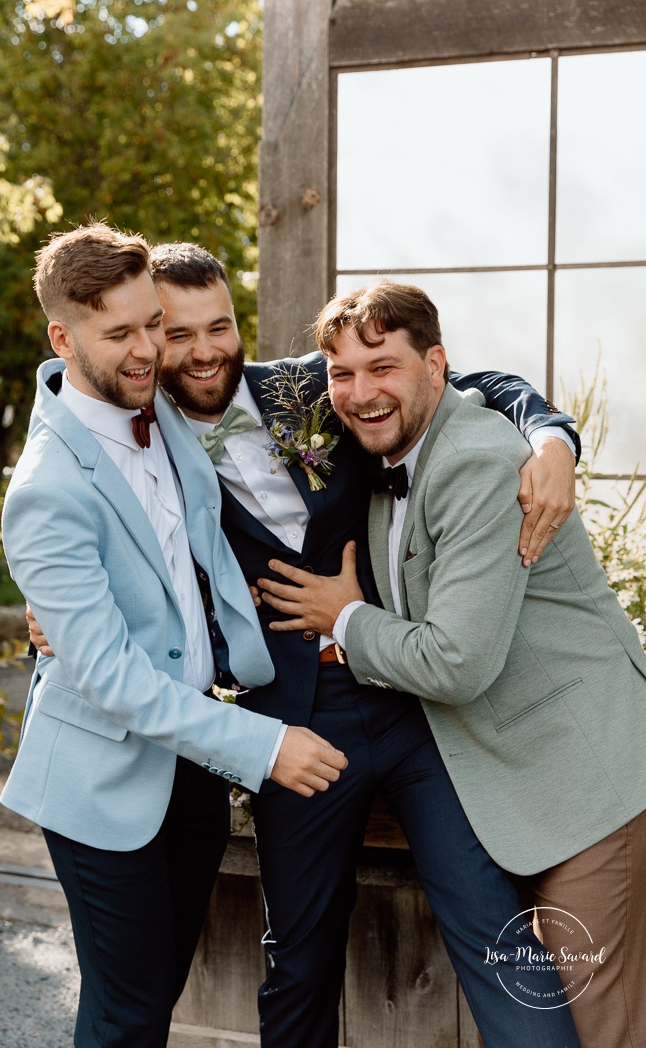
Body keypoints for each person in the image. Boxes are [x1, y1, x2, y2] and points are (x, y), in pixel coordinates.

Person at [29, 243, 581, 1048]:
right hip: (288, 715)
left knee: (489, 921)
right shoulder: (140, 436)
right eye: (174, 333)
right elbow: (96, 518)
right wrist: (55, 614)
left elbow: (465, 383)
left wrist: (552, 438)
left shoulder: (309, 387)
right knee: (298, 955)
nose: (201, 351)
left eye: (218, 326)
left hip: (406, 693)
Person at [258, 278, 646, 1048]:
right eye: (342, 373)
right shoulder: (383, 447)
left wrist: (343, 617)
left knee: (601, 1022)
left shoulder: (473, 460)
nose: (360, 392)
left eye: (383, 367)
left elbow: (456, 662)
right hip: (501, 783)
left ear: (435, 366)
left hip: (581, 777)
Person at [0, 222, 347, 1048]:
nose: (149, 350)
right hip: (102, 778)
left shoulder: (159, 404)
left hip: (189, 765)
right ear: (63, 339)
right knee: (125, 1015)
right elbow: (112, 680)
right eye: (119, 334)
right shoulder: (46, 488)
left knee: (158, 996)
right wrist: (264, 745)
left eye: (152, 323)